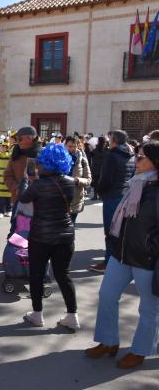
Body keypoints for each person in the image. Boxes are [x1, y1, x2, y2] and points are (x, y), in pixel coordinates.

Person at [86, 141, 159, 369]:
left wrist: (151, 248)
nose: (135, 161)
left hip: (147, 260)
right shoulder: (136, 183)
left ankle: (140, 350)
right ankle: (109, 342)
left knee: (149, 309)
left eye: (141, 158)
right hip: (121, 254)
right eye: (136, 156)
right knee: (107, 295)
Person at [20, 144, 79, 329]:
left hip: (40, 236)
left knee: (36, 275)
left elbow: (23, 198)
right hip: (65, 235)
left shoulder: (37, 185)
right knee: (64, 275)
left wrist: (27, 180)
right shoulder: (70, 182)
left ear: (45, 162)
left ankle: (37, 315)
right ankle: (72, 315)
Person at [91, 130, 136, 274]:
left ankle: (109, 262)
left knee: (110, 232)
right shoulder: (131, 154)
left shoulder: (112, 155)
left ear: (114, 140)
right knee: (119, 231)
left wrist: (98, 188)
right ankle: (116, 261)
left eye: (110, 139)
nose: (109, 142)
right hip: (124, 195)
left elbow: (106, 179)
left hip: (112, 197)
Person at [4, 126, 43, 205]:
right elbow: (7, 176)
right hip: (19, 202)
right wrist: (17, 189)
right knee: (20, 218)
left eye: (20, 139)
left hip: (39, 203)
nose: (18, 142)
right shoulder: (16, 155)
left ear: (30, 138)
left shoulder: (43, 156)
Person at [65, 136, 91, 224]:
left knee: (71, 225)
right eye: (69, 146)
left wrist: (78, 180)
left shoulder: (82, 160)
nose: (72, 148)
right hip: (60, 196)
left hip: (75, 197)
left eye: (74, 146)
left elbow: (88, 180)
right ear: (65, 146)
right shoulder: (59, 159)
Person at [0, 136, 12, 218]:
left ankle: (8, 210)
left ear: (7, 147)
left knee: (8, 195)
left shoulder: (10, 155)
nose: (2, 148)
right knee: (0, 196)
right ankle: (1, 211)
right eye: (0, 146)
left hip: (8, 179)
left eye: (4, 146)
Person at [91, 136, 109, 200]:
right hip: (104, 168)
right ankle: (101, 195)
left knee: (96, 182)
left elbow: (92, 157)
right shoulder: (107, 150)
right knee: (102, 182)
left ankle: (95, 195)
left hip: (96, 167)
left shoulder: (95, 149)